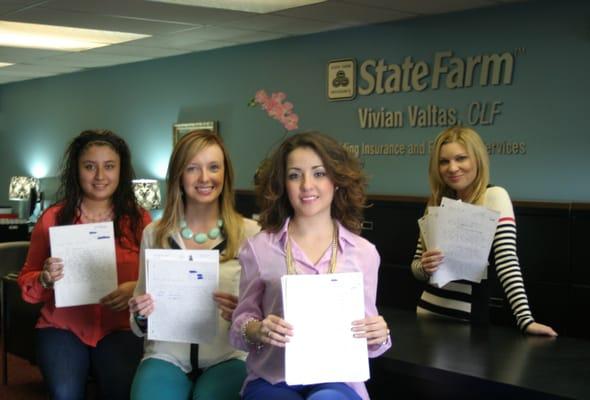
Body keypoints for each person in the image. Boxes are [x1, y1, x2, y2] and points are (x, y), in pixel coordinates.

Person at [230, 131, 391, 400]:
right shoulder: (258, 249)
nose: (307, 185)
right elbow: (239, 326)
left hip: (338, 381)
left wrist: (379, 335)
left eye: (318, 173)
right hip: (273, 378)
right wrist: (257, 330)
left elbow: (369, 340)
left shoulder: (364, 253)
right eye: (295, 175)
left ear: (336, 181)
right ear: (283, 184)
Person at [17, 129, 152, 399]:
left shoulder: (140, 220)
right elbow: (27, 281)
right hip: (62, 327)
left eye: (109, 167)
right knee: (65, 392)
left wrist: (134, 288)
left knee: (123, 390)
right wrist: (44, 278)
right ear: (77, 170)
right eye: (90, 166)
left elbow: (156, 278)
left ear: (121, 171)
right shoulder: (52, 218)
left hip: (121, 328)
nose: (100, 177)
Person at [127, 130, 260, 400]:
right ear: (178, 175)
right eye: (192, 168)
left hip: (229, 355)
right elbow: (139, 315)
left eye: (213, 167)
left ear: (226, 174)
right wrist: (140, 313)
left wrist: (244, 315)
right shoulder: (155, 233)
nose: (204, 178)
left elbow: (264, 314)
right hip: (165, 355)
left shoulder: (251, 234)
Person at [411, 126, 557, 336]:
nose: (452, 168)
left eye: (461, 158)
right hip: (426, 315)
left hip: (467, 323)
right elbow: (416, 266)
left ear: (478, 159)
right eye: (444, 161)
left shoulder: (494, 196)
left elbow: (508, 261)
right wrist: (424, 267)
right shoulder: (436, 201)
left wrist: (525, 320)